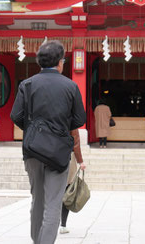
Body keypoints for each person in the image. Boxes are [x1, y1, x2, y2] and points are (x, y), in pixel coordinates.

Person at [10, 40, 87, 244]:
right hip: (59, 153)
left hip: (33, 150)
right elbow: (79, 119)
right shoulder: (70, 86)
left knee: (37, 201)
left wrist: (35, 131)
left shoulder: (27, 84)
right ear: (61, 62)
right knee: (53, 204)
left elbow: (16, 115)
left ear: (39, 62)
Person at [60, 133, 86, 234]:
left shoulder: (48, 118)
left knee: (53, 191)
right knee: (67, 192)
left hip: (50, 157)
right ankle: (63, 225)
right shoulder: (70, 119)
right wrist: (80, 161)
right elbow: (76, 142)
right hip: (67, 157)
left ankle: (48, 223)